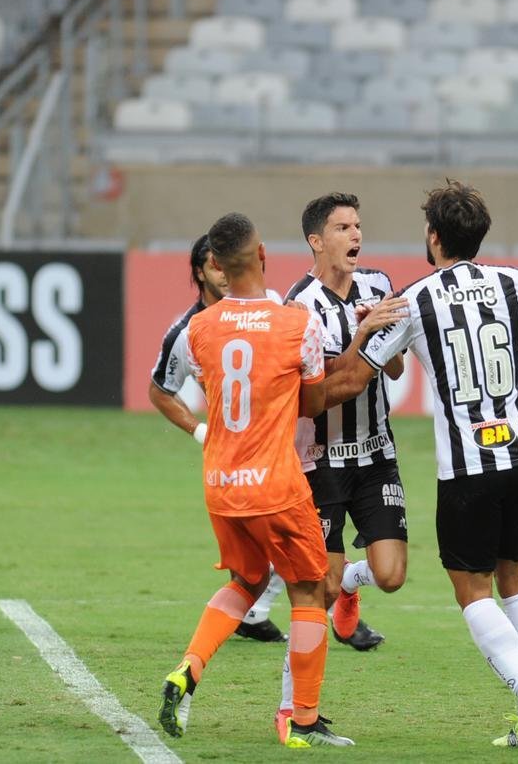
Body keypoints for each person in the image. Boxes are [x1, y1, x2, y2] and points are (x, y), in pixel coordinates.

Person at [323, 180, 518, 752]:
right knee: (517, 581)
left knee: (473, 592)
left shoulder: (414, 301)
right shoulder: (515, 282)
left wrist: (365, 330)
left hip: (469, 466)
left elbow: (352, 380)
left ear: (434, 236)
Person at [158, 213, 354, 748]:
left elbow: (206, 384)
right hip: (276, 484)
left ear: (217, 266)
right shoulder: (298, 324)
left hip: (222, 483)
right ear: (263, 255)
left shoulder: (199, 329)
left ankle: (189, 668)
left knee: (246, 581)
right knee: (309, 589)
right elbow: (312, 403)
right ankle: (303, 721)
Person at [273, 192, 410, 740]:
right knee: (317, 593)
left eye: (357, 225)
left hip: (376, 453)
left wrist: (380, 337)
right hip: (321, 462)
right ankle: (291, 709)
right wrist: (360, 337)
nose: (356, 235)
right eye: (342, 227)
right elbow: (307, 394)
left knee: (391, 576)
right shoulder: (297, 307)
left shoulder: (379, 285)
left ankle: (355, 582)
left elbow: (396, 369)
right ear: (316, 240)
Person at [148, 234, 287, 644]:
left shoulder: (271, 305)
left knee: (307, 529)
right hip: (237, 453)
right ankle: (263, 608)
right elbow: (160, 390)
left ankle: (313, 604)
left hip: (284, 438)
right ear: (199, 272)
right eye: (214, 265)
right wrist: (200, 430)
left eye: (227, 262)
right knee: (271, 542)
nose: (224, 273)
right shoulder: (187, 331)